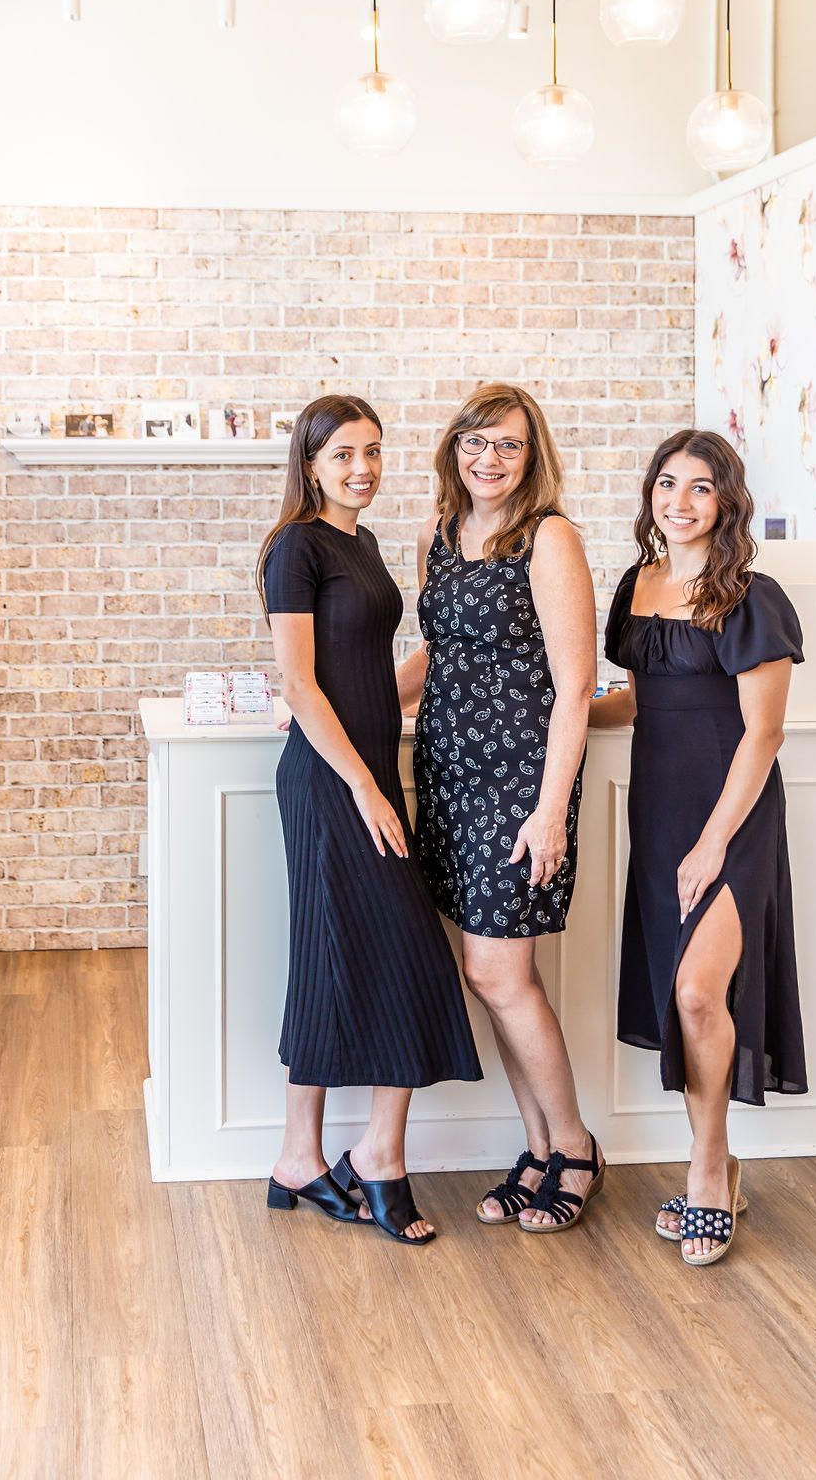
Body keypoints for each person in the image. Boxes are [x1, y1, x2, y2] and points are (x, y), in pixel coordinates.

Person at [255, 394, 482, 1247]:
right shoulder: (294, 550)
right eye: (345, 454)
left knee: (328, 959)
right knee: (416, 956)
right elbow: (302, 685)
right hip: (330, 786)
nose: (363, 469)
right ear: (310, 463)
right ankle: (378, 1158)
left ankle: (299, 1158)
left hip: (360, 774)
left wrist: (461, 646)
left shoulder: (368, 543)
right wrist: (364, 786)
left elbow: (366, 674)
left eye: (375, 453)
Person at [590, 428, 807, 1263]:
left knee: (695, 994)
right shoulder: (635, 584)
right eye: (667, 484)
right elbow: (639, 706)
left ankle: (708, 1171)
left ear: (728, 502)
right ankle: (717, 1162)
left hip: (732, 817)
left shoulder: (753, 595)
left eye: (701, 488)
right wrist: (561, 716)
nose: (679, 503)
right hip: (659, 813)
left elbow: (764, 733)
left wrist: (714, 843)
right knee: (682, 999)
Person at [398, 384, 604, 1233]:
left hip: (520, 780)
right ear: (455, 448)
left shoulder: (549, 538)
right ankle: (538, 1148)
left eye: (508, 446)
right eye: (475, 442)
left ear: (533, 456)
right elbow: (435, 653)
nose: (489, 459)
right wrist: (333, 704)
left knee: (500, 974)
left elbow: (578, 683)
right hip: (449, 773)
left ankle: (578, 1148)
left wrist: (550, 810)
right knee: (492, 978)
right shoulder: (438, 535)